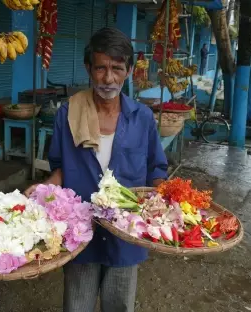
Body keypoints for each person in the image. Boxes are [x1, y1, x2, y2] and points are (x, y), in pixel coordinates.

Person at [24, 27, 168, 312]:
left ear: (127, 70)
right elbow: (61, 167)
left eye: (116, 68)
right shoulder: (68, 113)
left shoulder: (142, 118)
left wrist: (162, 201)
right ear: (89, 69)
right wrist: (44, 189)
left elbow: (156, 168)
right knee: (76, 305)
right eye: (100, 68)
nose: (108, 78)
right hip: (81, 232)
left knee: (120, 305)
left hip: (126, 234)